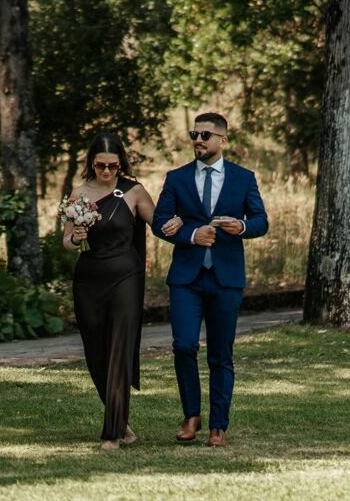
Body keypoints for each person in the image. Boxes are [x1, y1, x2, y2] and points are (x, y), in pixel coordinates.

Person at [151, 112, 269, 448]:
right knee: (184, 346)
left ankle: (219, 425)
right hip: (186, 279)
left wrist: (242, 227)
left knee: (221, 354)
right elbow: (159, 221)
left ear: (222, 139)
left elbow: (261, 220)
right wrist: (189, 234)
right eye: (194, 134)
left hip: (226, 278)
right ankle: (191, 416)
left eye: (205, 135)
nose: (198, 140)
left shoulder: (243, 178)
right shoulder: (177, 178)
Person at [63, 133, 154, 450]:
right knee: (96, 352)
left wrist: (188, 228)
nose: (106, 171)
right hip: (89, 279)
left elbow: (161, 222)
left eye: (112, 165)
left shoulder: (134, 191)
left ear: (120, 164)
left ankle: (112, 433)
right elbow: (67, 242)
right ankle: (122, 423)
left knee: (118, 348)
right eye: (100, 165)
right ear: (91, 163)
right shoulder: (79, 193)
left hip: (126, 276)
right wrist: (75, 236)